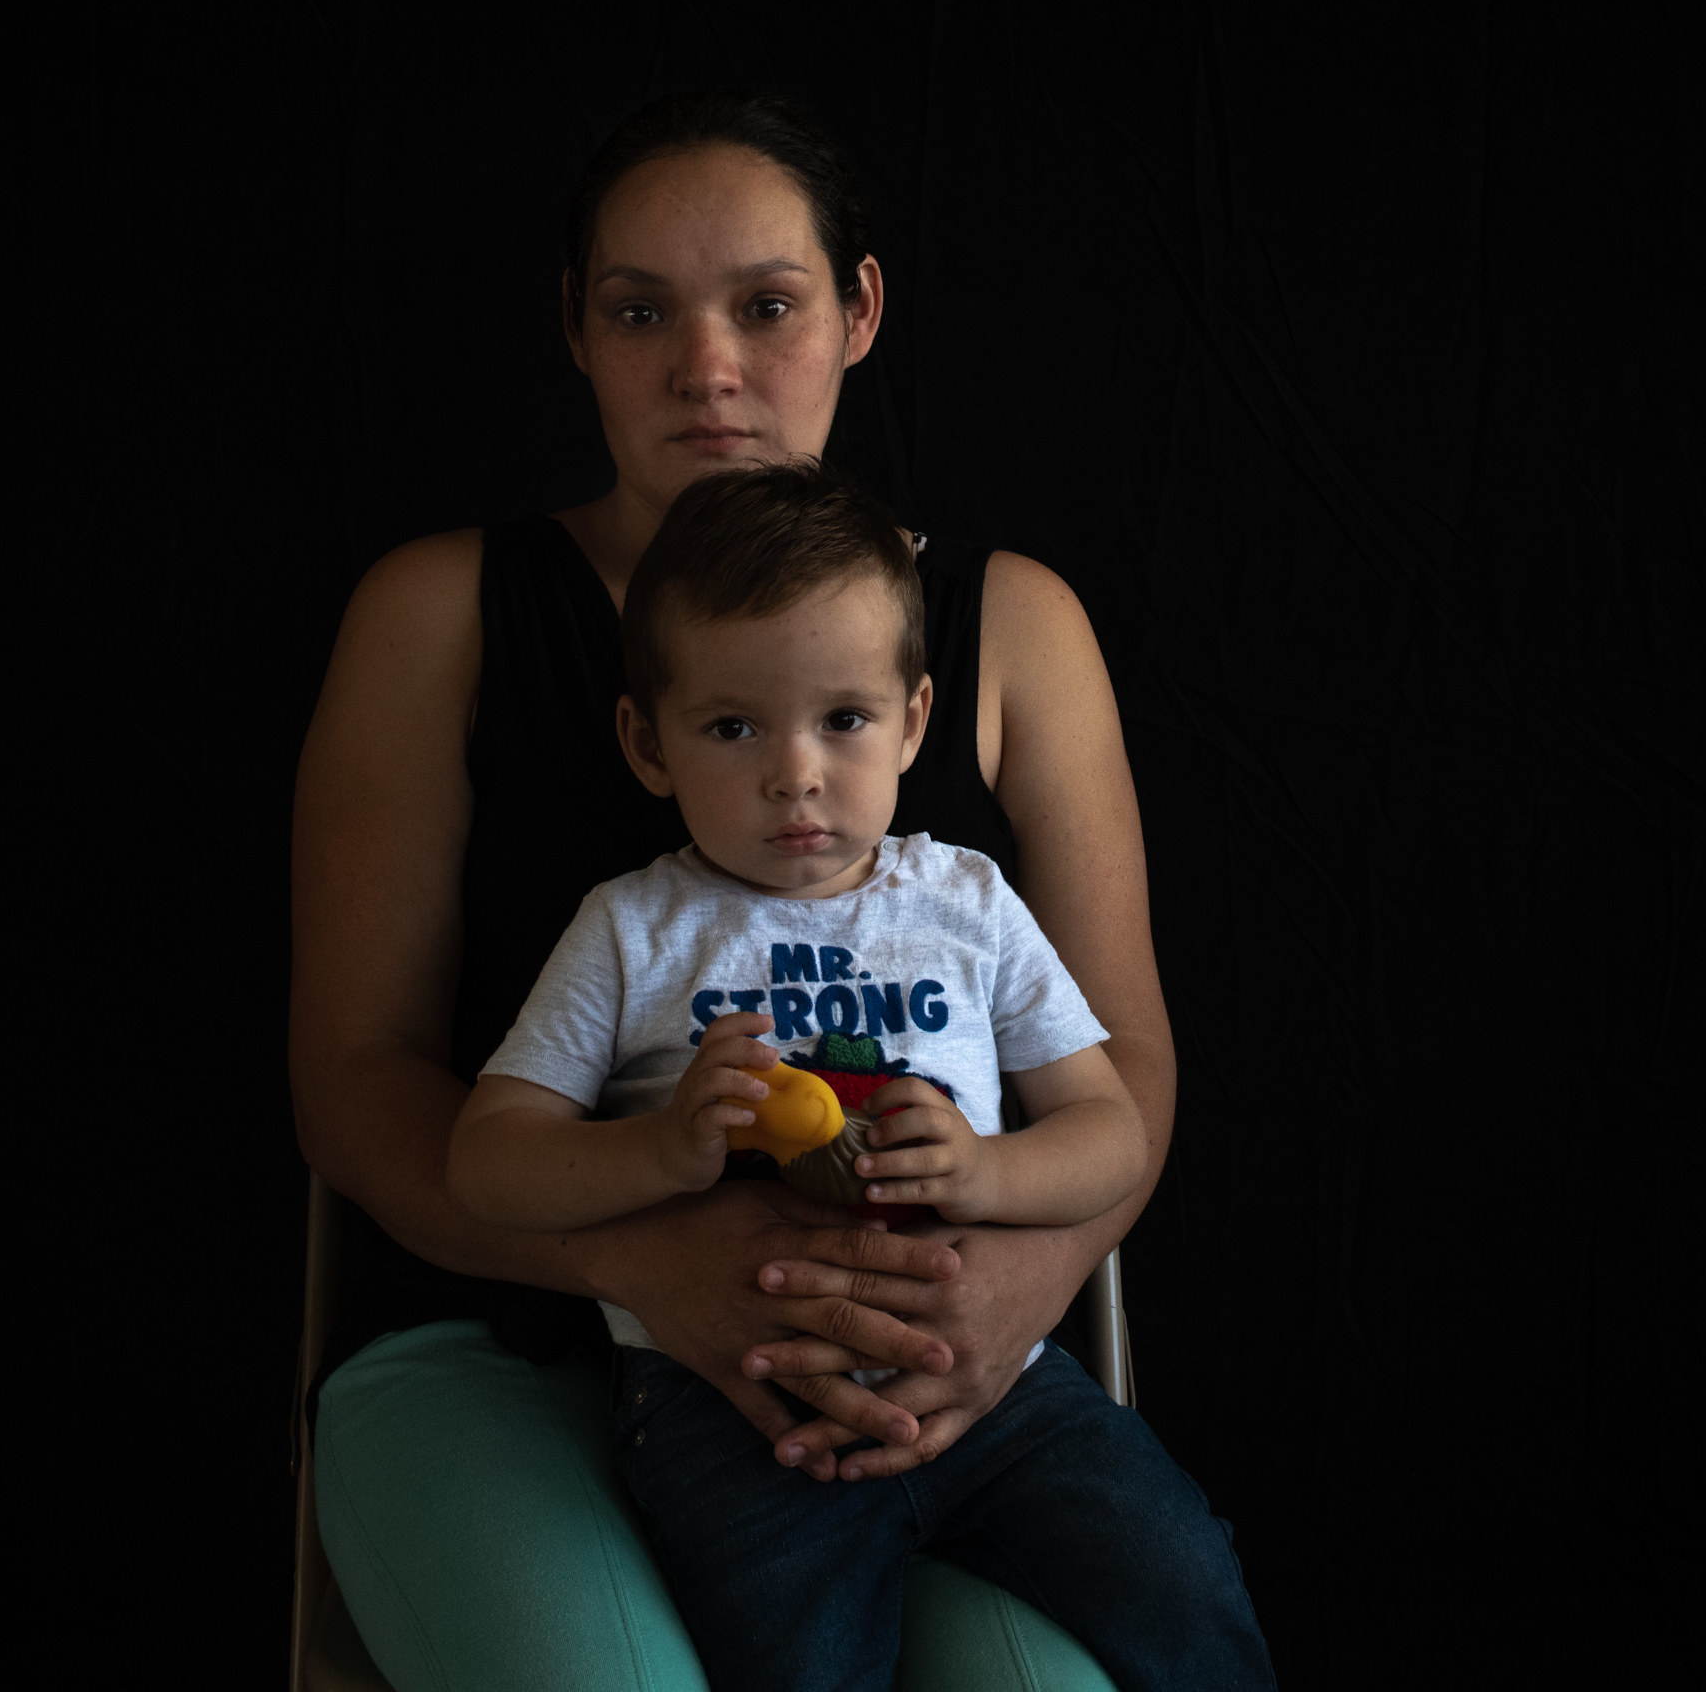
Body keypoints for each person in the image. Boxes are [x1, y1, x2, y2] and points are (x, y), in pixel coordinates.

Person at [291, 90, 1262, 1689]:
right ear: (577, 332)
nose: (707, 368)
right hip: (502, 1333)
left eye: (767, 304)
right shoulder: (441, 613)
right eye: (639, 311)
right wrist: (642, 1260)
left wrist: (993, 1305)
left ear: (860, 310)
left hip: (929, 1362)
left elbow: (1125, 1075)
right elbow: (353, 1079)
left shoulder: (1010, 625)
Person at [444, 459, 1267, 1690]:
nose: (796, 773)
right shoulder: (630, 930)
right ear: (646, 741)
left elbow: (1113, 1132)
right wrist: (660, 1150)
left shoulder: (968, 903)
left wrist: (988, 1170)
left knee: (1185, 1577)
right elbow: (487, 1159)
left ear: (916, 721)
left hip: (1002, 1402)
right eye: (733, 726)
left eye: (843, 718)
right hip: (744, 1409)